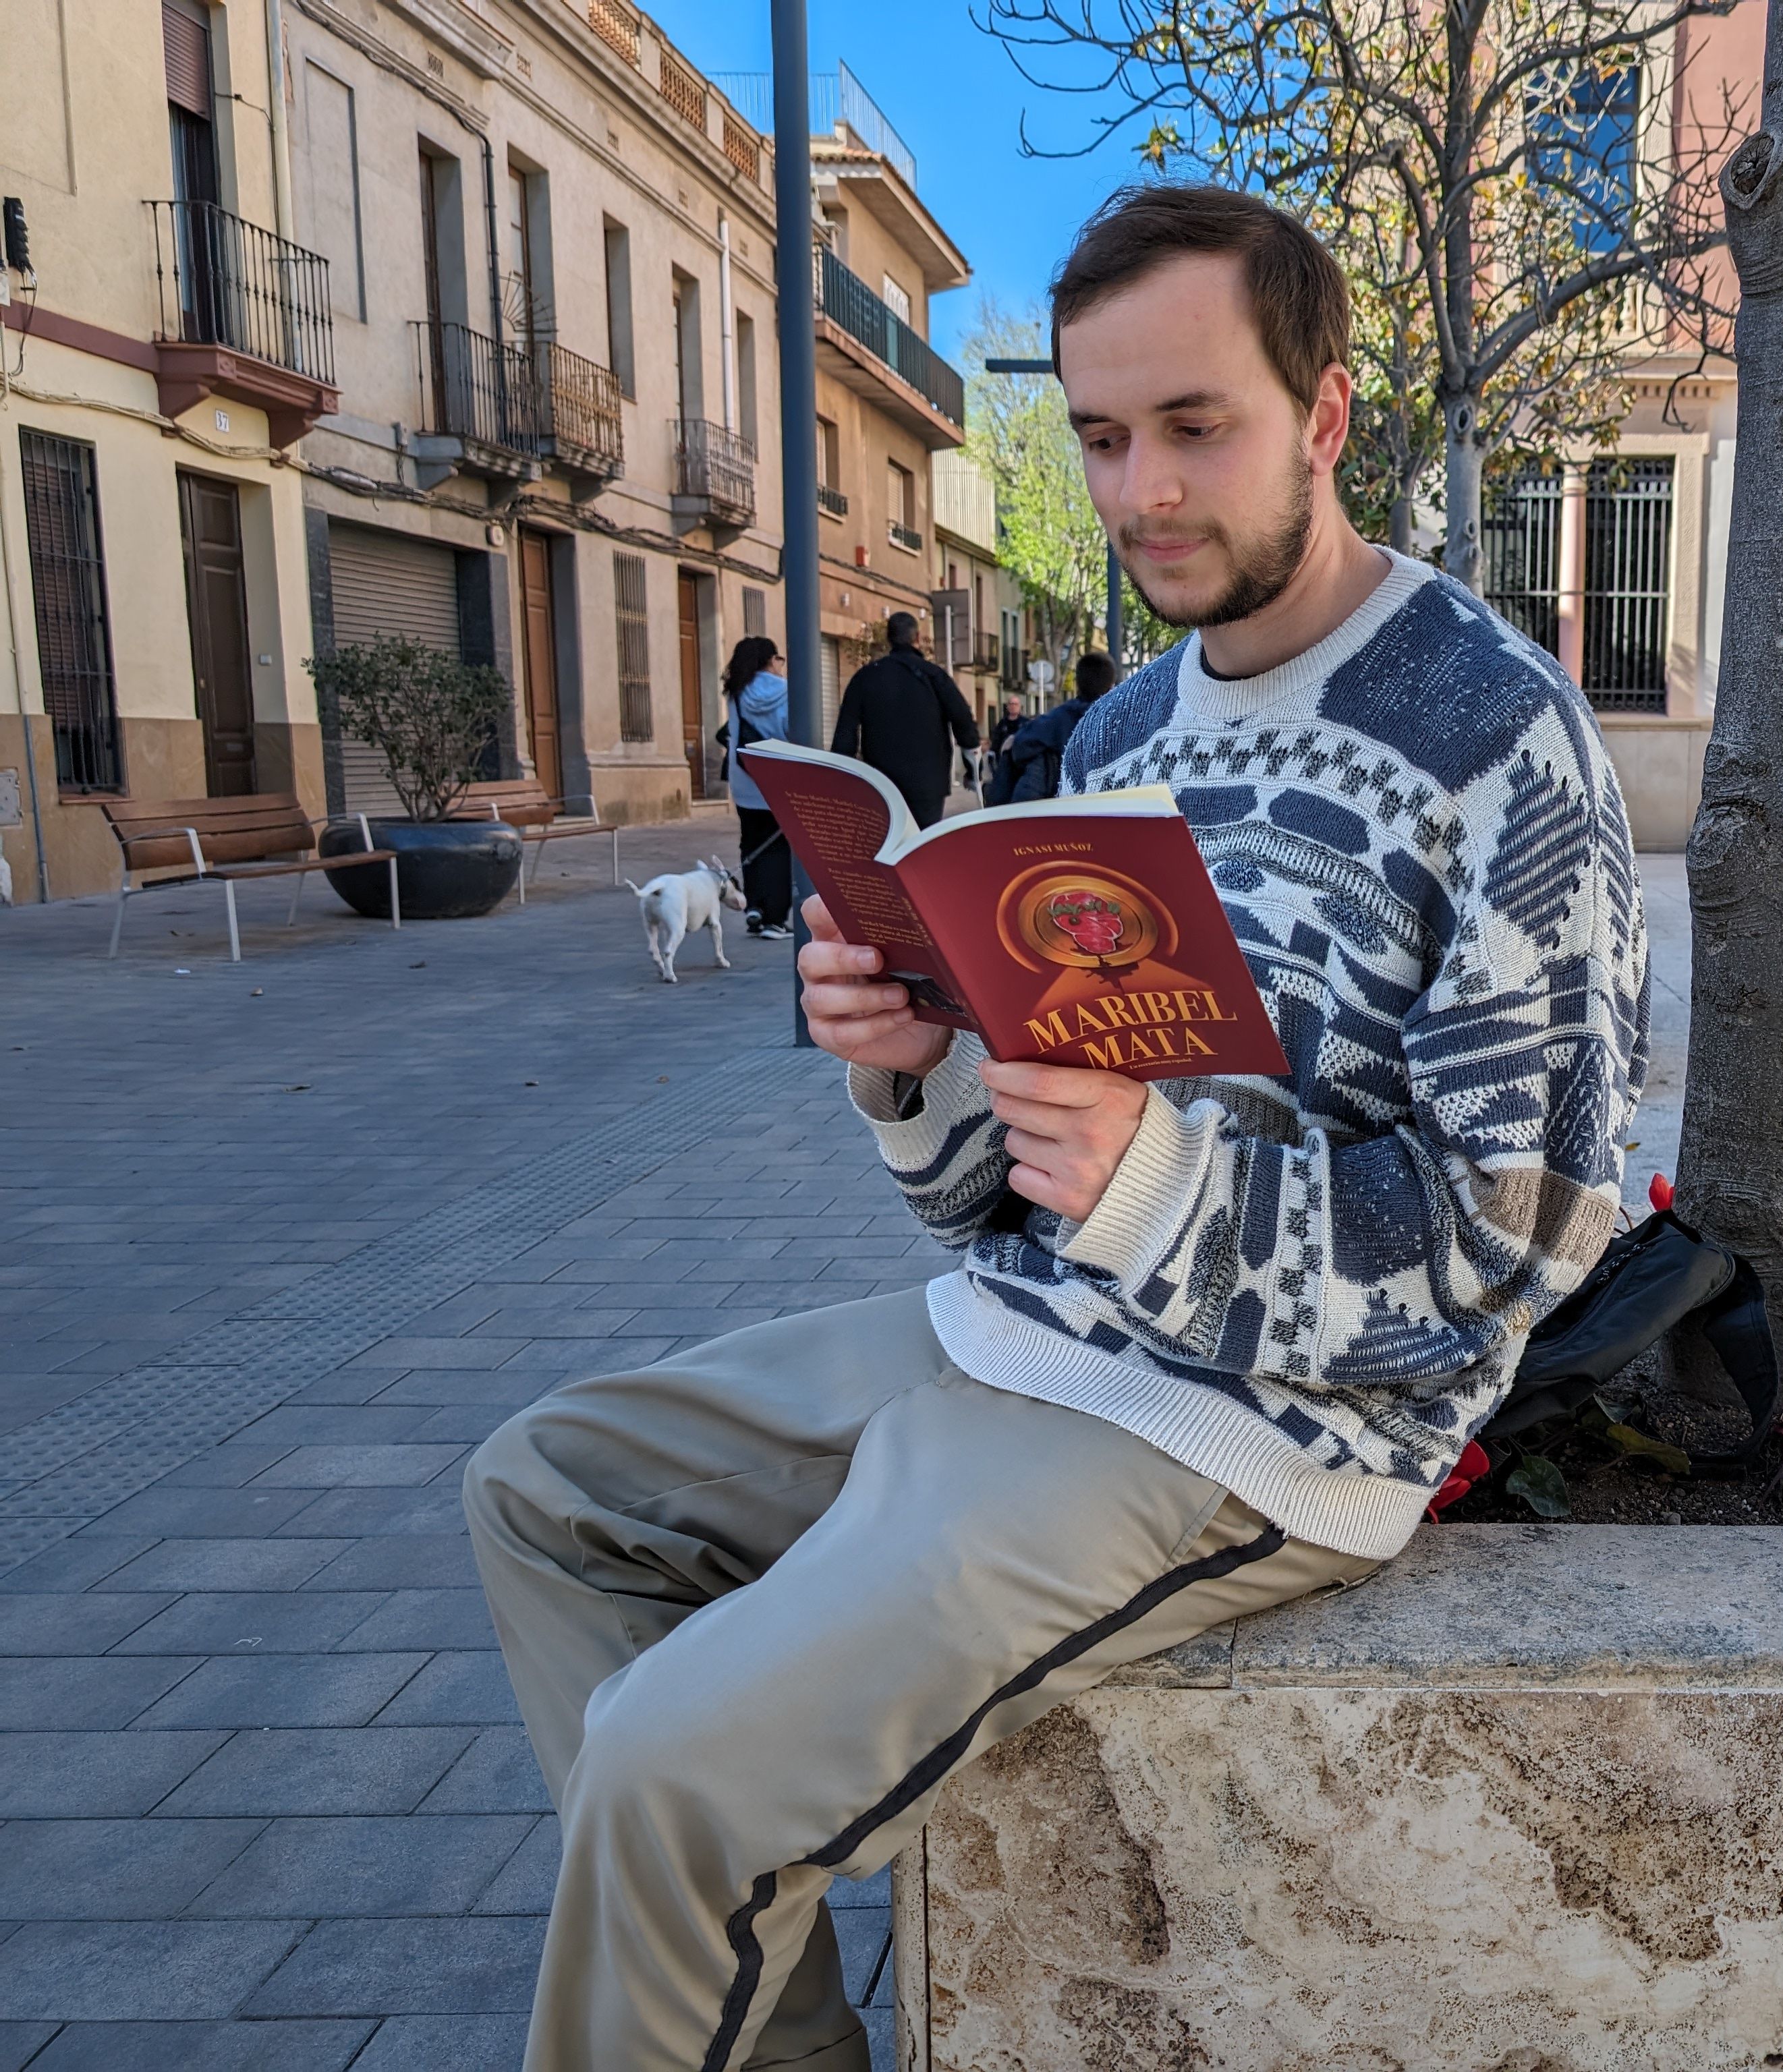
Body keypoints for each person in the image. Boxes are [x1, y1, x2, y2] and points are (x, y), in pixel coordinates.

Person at [465, 183, 1647, 2072]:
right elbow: (999, 1207)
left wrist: (1166, 1182)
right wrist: (905, 1062)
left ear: (1326, 419)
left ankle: (679, 1913)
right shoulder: (1117, 741)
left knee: (665, 1773)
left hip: (1259, 1427)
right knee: (545, 1488)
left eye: (1198, 427)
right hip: (1029, 1339)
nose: (1141, 490)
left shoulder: (1497, 736)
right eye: (1102, 437)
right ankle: (732, 2007)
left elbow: (1525, 1238)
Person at [829, 611, 980, 827]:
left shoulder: (865, 677)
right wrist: (971, 770)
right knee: (922, 846)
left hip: (881, 783)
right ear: (917, 638)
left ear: (888, 638)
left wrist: (842, 781)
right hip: (928, 784)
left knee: (887, 846)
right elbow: (963, 721)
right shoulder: (934, 675)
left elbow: (845, 734)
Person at [720, 635, 792, 938]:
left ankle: (756, 909)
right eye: (778, 659)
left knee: (751, 844)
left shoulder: (736, 692)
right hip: (778, 780)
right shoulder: (787, 691)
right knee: (779, 848)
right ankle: (774, 917)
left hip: (746, 783)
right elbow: (791, 732)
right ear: (769, 659)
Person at [993, 650, 1111, 802]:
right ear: (1111, 686)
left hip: (1054, 809)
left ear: (1078, 683)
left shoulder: (1057, 719)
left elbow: (1020, 747)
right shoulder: (1120, 721)